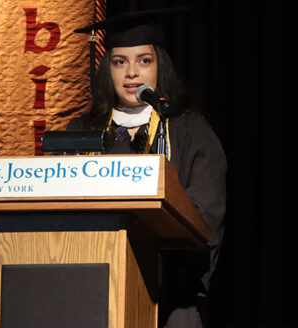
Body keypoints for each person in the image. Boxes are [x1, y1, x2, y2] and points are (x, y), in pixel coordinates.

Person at [71, 10, 227, 328]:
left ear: (160, 67)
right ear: (107, 69)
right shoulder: (81, 132)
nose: (131, 73)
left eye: (144, 61)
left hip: (171, 295)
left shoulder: (188, 130)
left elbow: (205, 219)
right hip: (89, 287)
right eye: (120, 62)